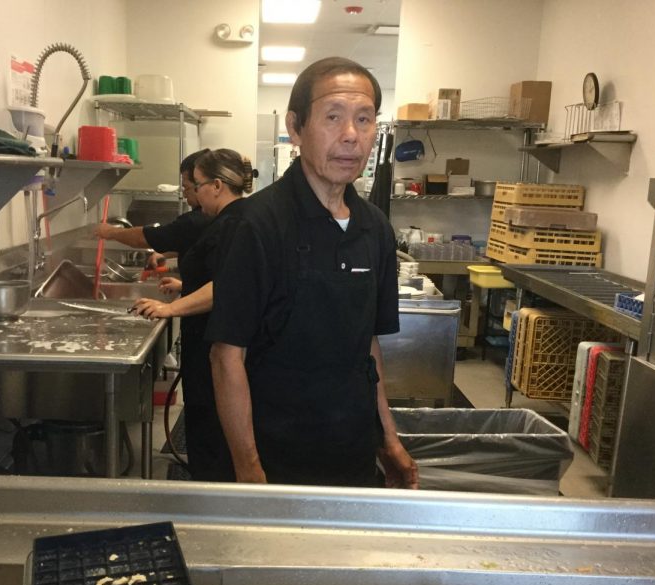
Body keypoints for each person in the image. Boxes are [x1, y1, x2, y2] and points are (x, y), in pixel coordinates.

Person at [206, 57, 419, 489]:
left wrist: (388, 440)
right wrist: (249, 471)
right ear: (297, 126)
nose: (351, 135)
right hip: (276, 457)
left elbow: (368, 348)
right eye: (334, 117)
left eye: (364, 119)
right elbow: (227, 357)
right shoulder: (257, 224)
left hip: (353, 453)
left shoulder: (374, 227)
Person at [131, 149, 255, 481]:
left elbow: (225, 287)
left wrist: (170, 308)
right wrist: (186, 285)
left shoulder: (236, 223)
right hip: (206, 340)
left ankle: (211, 500)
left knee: (213, 431)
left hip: (218, 343)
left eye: (197, 186)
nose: (194, 195)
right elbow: (222, 276)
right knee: (204, 421)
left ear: (217, 185)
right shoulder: (228, 220)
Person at [96, 149, 211, 296]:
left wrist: (109, 232)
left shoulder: (197, 219)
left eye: (186, 187)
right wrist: (164, 254)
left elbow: (143, 238)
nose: (184, 193)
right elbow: (192, 242)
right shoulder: (214, 216)